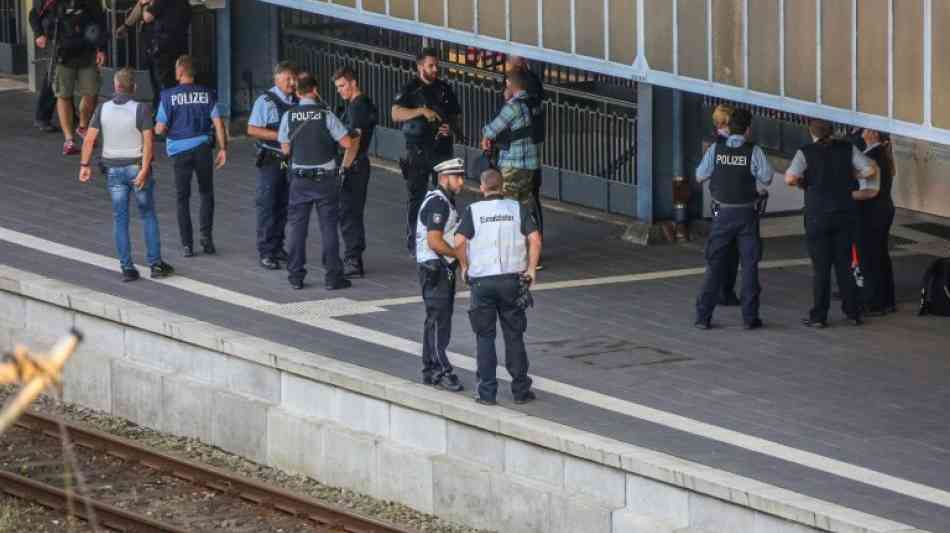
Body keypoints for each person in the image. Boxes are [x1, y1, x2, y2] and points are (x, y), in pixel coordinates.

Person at [455, 168, 542, 406]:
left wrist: (465, 266)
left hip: (482, 282)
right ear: (502, 187)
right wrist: (531, 270)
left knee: (485, 337)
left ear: (482, 188)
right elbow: (535, 239)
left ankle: (487, 393)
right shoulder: (516, 208)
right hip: (512, 281)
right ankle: (521, 390)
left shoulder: (473, 211)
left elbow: (459, 241)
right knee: (514, 336)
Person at [78, 67, 174, 281]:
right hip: (136, 167)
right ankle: (156, 264)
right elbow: (148, 143)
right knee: (148, 215)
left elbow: (89, 139)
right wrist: (145, 170)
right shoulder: (141, 109)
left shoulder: (102, 109)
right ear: (134, 87)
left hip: (113, 170)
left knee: (120, 218)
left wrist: (84, 165)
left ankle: (127, 268)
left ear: (115, 86)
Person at [785, 118, 879, 328]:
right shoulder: (847, 148)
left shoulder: (805, 151)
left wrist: (804, 183)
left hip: (817, 215)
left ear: (812, 133)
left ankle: (819, 316)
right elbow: (871, 170)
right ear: (833, 131)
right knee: (845, 265)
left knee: (821, 268)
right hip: (845, 214)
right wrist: (853, 174)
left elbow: (789, 178)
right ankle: (852, 312)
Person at [694, 109, 775, 330]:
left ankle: (703, 317)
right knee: (749, 266)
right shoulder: (754, 150)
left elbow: (700, 175)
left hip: (722, 214)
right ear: (748, 129)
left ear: (729, 127)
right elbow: (767, 178)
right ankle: (750, 317)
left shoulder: (716, 149)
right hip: (747, 214)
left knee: (714, 265)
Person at [279, 72, 360, 290]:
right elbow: (345, 143)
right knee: (328, 229)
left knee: (297, 228)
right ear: (315, 91)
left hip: (299, 180)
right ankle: (333, 278)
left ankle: (296, 276)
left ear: (297, 92)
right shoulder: (326, 115)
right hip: (325, 180)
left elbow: (285, 148)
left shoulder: (289, 116)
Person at [155, 55, 228, 257]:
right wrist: (223, 149)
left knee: (182, 198)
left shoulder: (168, 96)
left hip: (179, 152)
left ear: (179, 73)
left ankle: (187, 245)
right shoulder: (207, 94)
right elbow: (218, 123)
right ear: (193, 72)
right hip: (203, 148)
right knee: (206, 193)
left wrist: (167, 130)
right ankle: (207, 239)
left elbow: (159, 129)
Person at [391, 47, 462, 257]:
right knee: (417, 196)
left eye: (436, 65)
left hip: (441, 149)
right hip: (418, 150)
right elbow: (395, 113)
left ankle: (447, 239)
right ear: (420, 66)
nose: (434, 69)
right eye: (430, 65)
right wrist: (421, 111)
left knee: (447, 195)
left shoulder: (444, 89)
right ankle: (415, 239)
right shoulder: (410, 89)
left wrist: (450, 127)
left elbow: (455, 115)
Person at [415, 158, 467, 392]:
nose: (462, 182)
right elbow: (434, 241)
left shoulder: (441, 200)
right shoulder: (438, 203)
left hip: (437, 268)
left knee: (436, 321)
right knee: (438, 322)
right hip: (435, 268)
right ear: (444, 178)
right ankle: (441, 369)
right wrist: (458, 253)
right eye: (458, 177)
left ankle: (431, 369)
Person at [31, 0, 106, 156]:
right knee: (63, 95)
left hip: (87, 52)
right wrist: (39, 34)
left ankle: (83, 126)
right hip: (62, 53)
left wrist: (101, 49)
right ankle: (69, 139)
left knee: (91, 94)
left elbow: (100, 21)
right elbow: (33, 15)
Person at [248, 61, 298, 270]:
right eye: (288, 79)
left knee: (283, 205)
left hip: (290, 162)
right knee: (267, 205)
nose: (292, 83)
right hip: (270, 159)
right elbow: (252, 129)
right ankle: (266, 251)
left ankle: (278, 246)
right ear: (277, 79)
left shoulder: (297, 101)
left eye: (294, 78)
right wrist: (280, 136)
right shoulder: (265, 101)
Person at [333, 66, 378, 278]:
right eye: (338, 87)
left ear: (353, 83)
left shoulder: (357, 107)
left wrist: (344, 168)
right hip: (358, 165)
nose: (340, 90)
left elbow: (354, 141)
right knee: (350, 212)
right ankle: (353, 256)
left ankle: (353, 259)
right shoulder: (359, 105)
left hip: (354, 166)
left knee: (349, 212)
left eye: (342, 86)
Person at [504, 55, 546, 267]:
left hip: (519, 160)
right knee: (528, 201)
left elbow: (497, 127)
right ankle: (532, 248)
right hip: (530, 158)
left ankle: (524, 248)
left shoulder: (520, 99)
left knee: (518, 203)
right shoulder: (532, 89)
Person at [481, 69, 540, 210]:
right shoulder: (534, 103)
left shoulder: (513, 107)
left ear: (509, 83)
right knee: (524, 206)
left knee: (508, 207)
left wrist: (485, 137)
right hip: (531, 165)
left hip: (512, 164)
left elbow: (491, 130)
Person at [856, 128, 896, 316]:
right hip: (884, 209)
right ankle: (887, 299)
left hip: (872, 212)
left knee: (870, 257)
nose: (861, 132)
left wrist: (847, 195)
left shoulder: (872, 156)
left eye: (864, 129)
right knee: (880, 255)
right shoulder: (881, 153)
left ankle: (873, 301)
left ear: (872, 133)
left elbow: (871, 191)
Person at [135, 0, 192, 116]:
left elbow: (147, 17)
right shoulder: (184, 3)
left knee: (162, 85)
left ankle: (162, 119)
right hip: (179, 46)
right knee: (175, 83)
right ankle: (176, 116)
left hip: (163, 48)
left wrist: (144, 3)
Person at [710, 103, 741, 306]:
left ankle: (722, 289)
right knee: (730, 250)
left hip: (719, 200)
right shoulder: (728, 145)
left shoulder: (715, 145)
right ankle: (725, 290)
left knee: (724, 247)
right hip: (731, 203)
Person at [27, 0, 59, 133]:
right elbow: (33, 14)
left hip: (71, 38)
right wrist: (39, 33)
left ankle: (69, 114)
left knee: (66, 77)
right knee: (53, 77)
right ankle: (42, 117)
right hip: (54, 40)